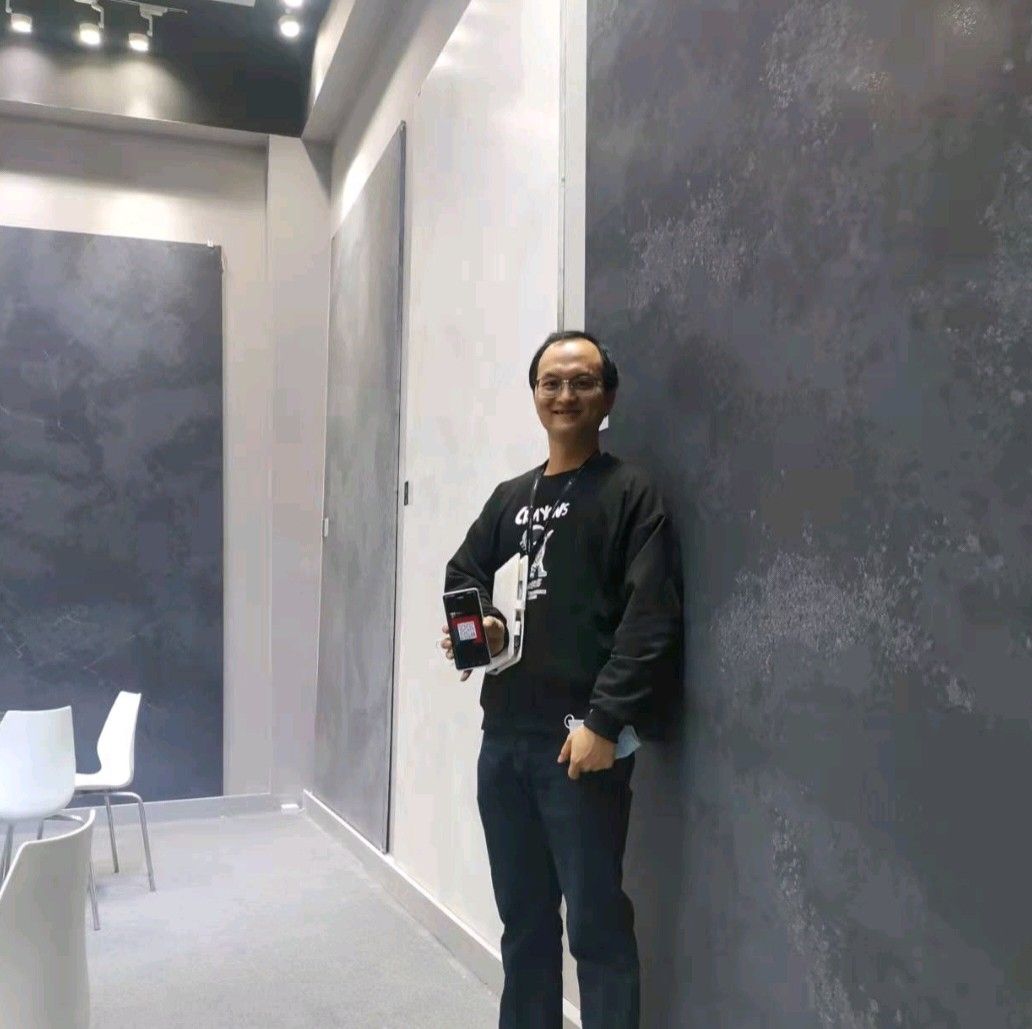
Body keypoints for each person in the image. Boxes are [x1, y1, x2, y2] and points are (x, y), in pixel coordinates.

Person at [440, 330, 683, 1029]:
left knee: (597, 929)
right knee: (523, 926)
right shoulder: (511, 498)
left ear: (607, 396)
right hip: (503, 743)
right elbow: (463, 574)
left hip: (580, 747)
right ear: (535, 394)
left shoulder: (630, 493)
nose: (565, 394)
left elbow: (650, 619)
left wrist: (604, 722)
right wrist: (481, 633)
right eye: (551, 382)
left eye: (582, 381)